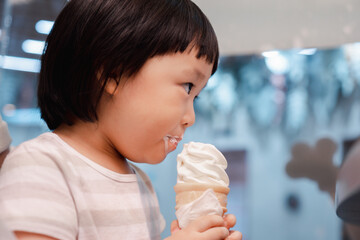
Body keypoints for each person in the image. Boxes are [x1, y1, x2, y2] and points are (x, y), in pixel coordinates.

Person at [0, 0, 242, 239]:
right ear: (112, 74)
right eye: (187, 87)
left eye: (196, 97)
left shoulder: (141, 183)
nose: (191, 118)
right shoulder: (40, 166)